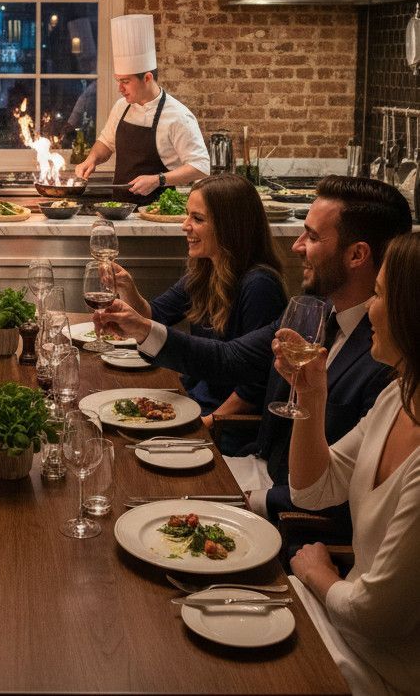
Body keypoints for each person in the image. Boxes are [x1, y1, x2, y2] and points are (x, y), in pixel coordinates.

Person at [96, 176, 410, 532]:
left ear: (357, 255)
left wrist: (254, 499)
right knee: (123, 481)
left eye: (312, 236)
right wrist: (142, 329)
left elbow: (349, 498)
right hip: (258, 469)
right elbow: (229, 359)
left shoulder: (388, 357)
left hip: (287, 513)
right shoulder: (315, 311)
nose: (297, 246)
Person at [279, 232, 420, 695]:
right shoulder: (397, 396)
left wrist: (316, 572)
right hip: (342, 625)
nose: (370, 309)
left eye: (378, 295)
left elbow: (375, 616)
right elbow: (312, 490)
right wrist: (312, 394)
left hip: (385, 669)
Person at [109, 173, 287, 450]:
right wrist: (127, 288)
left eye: (198, 218)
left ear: (230, 226)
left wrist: (204, 425)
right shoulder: (205, 270)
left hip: (227, 429)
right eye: (188, 215)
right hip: (194, 401)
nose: (185, 226)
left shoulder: (260, 285)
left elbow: (254, 387)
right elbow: (156, 316)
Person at [74, 14, 209, 203]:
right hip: (119, 209)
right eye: (118, 81)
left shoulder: (178, 116)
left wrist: (158, 180)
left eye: (125, 82)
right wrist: (92, 159)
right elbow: (106, 142)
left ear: (147, 78)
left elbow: (201, 166)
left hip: (156, 211)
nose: (120, 89)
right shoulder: (121, 107)